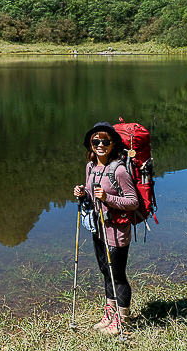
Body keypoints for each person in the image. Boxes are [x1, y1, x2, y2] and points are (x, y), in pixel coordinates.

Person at [73, 121, 139, 335]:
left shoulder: (119, 170)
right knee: (105, 271)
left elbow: (133, 201)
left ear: (113, 144)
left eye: (105, 141)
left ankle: (122, 320)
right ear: (90, 144)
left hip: (117, 232)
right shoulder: (90, 167)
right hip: (99, 229)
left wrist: (108, 198)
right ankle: (110, 314)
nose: (100, 144)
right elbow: (92, 197)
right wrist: (83, 193)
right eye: (95, 141)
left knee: (117, 276)